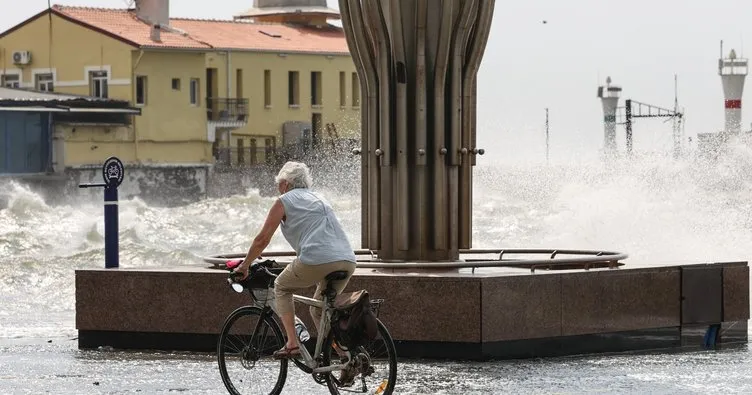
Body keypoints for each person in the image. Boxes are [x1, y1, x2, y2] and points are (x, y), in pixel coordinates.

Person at [233, 161, 357, 359]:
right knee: (318, 310)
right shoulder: (319, 197)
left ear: (285, 184)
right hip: (347, 260)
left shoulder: (284, 200)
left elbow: (262, 239)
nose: (277, 188)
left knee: (281, 286)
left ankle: (292, 343)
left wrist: (245, 265)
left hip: (317, 259)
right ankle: (346, 357)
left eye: (278, 184)